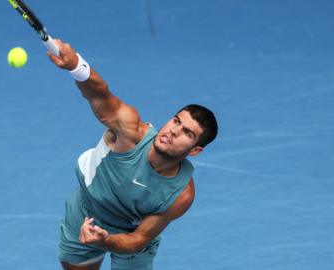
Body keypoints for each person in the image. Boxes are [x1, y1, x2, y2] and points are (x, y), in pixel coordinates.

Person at [47, 39, 218, 270]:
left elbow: (138, 239)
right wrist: (76, 65)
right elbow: (100, 95)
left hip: (130, 234)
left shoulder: (181, 195)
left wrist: (105, 240)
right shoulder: (130, 132)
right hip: (87, 211)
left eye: (187, 133)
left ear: (195, 150)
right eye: (176, 121)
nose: (173, 131)